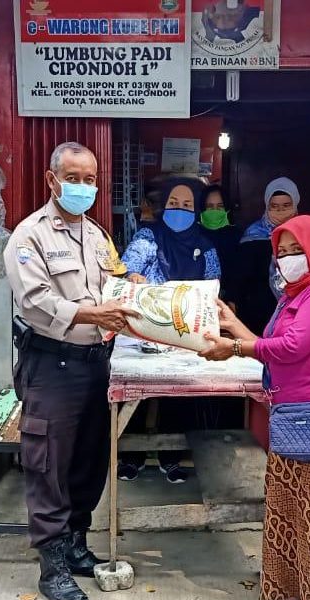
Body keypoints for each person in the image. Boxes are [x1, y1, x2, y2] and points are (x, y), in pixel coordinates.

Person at [199, 215, 310, 600]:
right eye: (281, 253)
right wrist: (236, 328)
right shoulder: (294, 293)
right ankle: (289, 583)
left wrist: (233, 347)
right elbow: (271, 344)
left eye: (296, 251)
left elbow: (291, 347)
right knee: (287, 506)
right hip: (291, 412)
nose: (287, 260)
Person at [2, 141, 135, 600]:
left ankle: (77, 544)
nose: (83, 187)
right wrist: (95, 311)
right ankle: (52, 567)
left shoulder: (98, 235)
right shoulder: (29, 236)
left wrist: (129, 286)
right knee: (48, 466)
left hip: (96, 364)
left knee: (88, 461)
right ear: (51, 180)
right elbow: (35, 302)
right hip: (52, 365)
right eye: (73, 178)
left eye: (90, 179)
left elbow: (114, 278)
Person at [118, 177, 221, 483]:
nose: (180, 210)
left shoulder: (205, 244)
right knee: (138, 393)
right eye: (174, 204)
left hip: (187, 332)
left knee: (180, 394)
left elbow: (214, 283)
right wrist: (133, 275)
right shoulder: (149, 236)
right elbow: (130, 264)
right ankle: (131, 457)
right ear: (164, 207)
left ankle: (171, 457)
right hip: (145, 330)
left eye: (187, 205)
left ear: (196, 209)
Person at [233, 176, 301, 334]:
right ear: (266, 206)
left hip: (296, 315)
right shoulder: (252, 236)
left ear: (296, 204)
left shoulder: (306, 234)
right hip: (257, 317)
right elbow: (240, 279)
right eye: (274, 206)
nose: (280, 211)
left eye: (286, 205)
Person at [198, 184, 242, 294]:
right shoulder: (193, 234)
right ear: (202, 208)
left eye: (220, 206)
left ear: (227, 208)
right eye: (210, 206)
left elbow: (239, 273)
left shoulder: (237, 236)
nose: (215, 210)